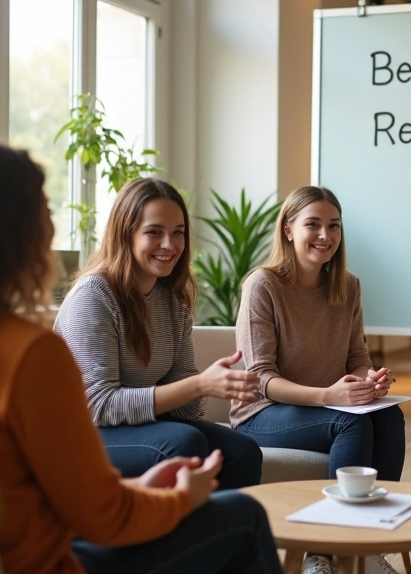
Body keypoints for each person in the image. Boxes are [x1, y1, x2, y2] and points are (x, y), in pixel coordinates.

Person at [0, 143, 287, 574]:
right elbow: (104, 518)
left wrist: (138, 485)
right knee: (244, 519)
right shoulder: (30, 352)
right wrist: (180, 500)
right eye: (45, 212)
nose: (53, 227)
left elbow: (22, 486)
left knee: (224, 457)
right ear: (16, 233)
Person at [233, 185, 411, 574]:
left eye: (333, 226)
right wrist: (327, 396)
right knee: (349, 426)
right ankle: (322, 555)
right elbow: (261, 378)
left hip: (325, 411)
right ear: (288, 230)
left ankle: (366, 550)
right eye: (313, 224)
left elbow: (357, 356)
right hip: (261, 414)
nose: (325, 235)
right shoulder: (263, 285)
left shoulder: (347, 286)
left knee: (389, 416)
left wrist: (368, 380)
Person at [54, 177, 264, 489]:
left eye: (178, 232)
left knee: (242, 452)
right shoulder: (93, 296)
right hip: (80, 433)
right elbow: (97, 405)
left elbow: (185, 410)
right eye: (154, 232)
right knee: (184, 443)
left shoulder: (172, 301)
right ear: (125, 233)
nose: (170, 244)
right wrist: (199, 385)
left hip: (139, 425)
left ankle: (223, 522)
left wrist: (212, 386)